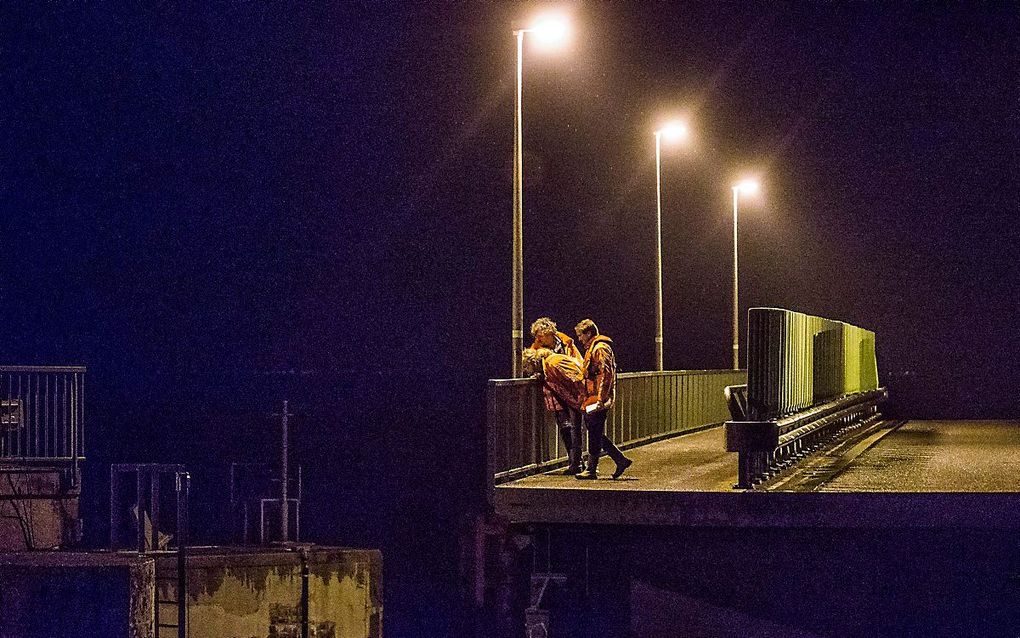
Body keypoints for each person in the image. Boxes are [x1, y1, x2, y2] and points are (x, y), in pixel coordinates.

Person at [522, 317, 584, 474]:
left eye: (539, 335)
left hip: (570, 388)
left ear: (548, 332)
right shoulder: (538, 347)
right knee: (565, 426)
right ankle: (575, 462)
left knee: (577, 427)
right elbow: (534, 363)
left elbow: (577, 363)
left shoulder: (566, 343)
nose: (537, 339)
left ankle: (578, 462)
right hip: (555, 390)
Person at [574, 319, 632, 480]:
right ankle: (620, 460)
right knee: (595, 431)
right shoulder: (595, 348)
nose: (579, 339)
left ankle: (592, 469)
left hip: (597, 398)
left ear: (588, 333)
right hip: (593, 397)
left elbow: (606, 375)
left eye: (580, 335)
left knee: (594, 432)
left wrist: (601, 398)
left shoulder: (599, 348)